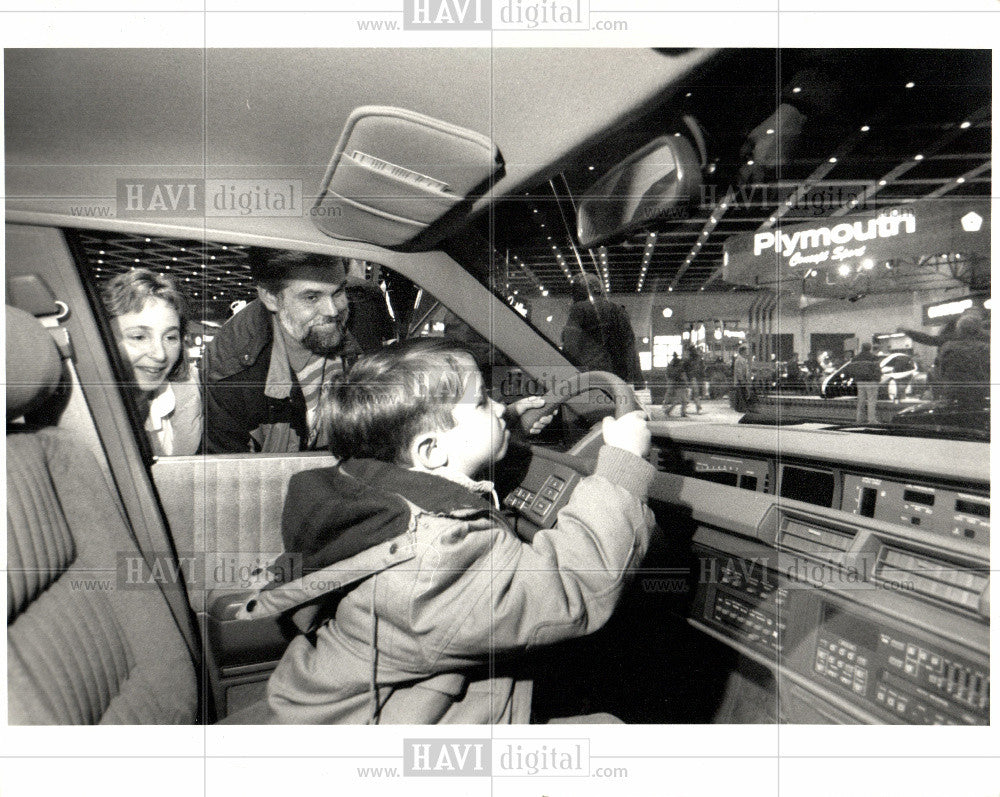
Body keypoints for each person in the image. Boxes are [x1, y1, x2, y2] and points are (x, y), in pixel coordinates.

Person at [239, 338, 655, 724]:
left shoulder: (369, 493)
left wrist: (504, 428)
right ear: (431, 450)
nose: (497, 406)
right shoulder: (436, 558)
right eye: (482, 402)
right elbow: (571, 587)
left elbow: (448, 476)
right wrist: (620, 466)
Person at [202, 249, 390, 453]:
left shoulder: (366, 312)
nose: (332, 311)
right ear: (270, 297)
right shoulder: (231, 369)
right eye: (311, 297)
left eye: (338, 292)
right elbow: (229, 473)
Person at [102, 268, 201, 456]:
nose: (160, 354)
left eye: (170, 337)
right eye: (139, 337)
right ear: (104, 338)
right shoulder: (87, 413)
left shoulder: (187, 398)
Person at [562, 273, 644, 388]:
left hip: (589, 375)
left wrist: (566, 376)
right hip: (617, 377)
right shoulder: (618, 310)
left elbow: (571, 346)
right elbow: (630, 346)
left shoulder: (579, 309)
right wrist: (637, 379)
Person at [936, 315, 989, 408]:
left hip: (952, 395)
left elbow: (941, 372)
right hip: (978, 395)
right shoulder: (985, 348)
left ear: (959, 330)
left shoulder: (947, 347)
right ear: (978, 330)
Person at [844, 342, 882, 424]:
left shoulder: (855, 358)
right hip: (871, 381)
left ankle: (859, 419)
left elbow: (851, 370)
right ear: (870, 348)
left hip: (860, 381)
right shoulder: (874, 358)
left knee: (861, 400)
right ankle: (871, 420)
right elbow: (877, 370)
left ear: (862, 348)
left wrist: (855, 378)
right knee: (871, 400)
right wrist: (878, 379)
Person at [662, 352, 689, 418]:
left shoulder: (673, 367)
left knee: (682, 400)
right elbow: (684, 377)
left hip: (678, 385)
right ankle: (670, 411)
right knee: (681, 400)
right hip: (681, 386)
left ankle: (682, 412)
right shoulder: (680, 369)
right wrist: (687, 383)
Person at [683, 344, 705, 414]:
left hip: (690, 378)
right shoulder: (698, 359)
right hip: (696, 378)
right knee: (695, 394)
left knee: (688, 394)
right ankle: (698, 408)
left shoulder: (688, 359)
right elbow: (702, 368)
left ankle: (685, 409)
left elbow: (684, 369)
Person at [731, 345, 752, 412]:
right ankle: (741, 408)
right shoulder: (739, 360)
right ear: (742, 351)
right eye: (746, 351)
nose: (747, 352)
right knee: (742, 394)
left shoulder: (742, 359)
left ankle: (740, 408)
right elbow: (739, 371)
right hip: (741, 381)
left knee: (741, 394)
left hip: (742, 380)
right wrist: (742, 380)